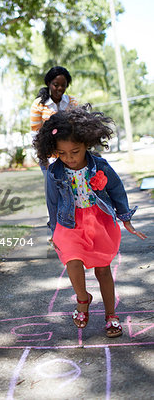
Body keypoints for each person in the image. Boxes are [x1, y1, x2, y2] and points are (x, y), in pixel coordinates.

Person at [33, 105, 147, 338]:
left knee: (103, 270)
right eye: (62, 153)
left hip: (99, 221)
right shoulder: (55, 172)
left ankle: (111, 315)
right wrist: (54, 231)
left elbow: (117, 191)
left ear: (86, 144)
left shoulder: (101, 166)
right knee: (72, 262)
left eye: (74, 151)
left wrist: (125, 218)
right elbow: (52, 203)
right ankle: (83, 300)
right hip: (69, 223)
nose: (69, 158)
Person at [30, 66, 78, 171]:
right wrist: (44, 160)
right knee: (53, 186)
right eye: (56, 85)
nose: (60, 88)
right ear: (49, 84)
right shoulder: (38, 104)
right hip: (49, 157)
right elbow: (35, 134)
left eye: (63, 85)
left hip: (70, 156)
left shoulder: (72, 102)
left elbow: (78, 128)